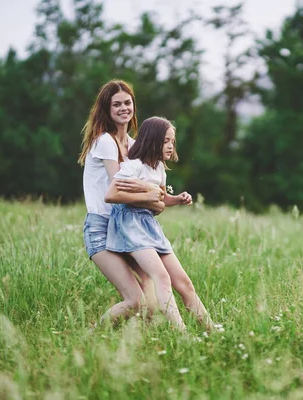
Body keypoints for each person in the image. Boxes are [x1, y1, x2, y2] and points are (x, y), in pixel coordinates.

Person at [105, 116, 214, 331]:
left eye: (172, 141)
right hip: (130, 226)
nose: (171, 145)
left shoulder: (159, 169)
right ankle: (182, 335)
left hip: (149, 226)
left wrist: (177, 200)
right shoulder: (133, 166)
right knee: (161, 276)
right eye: (166, 141)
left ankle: (212, 330)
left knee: (184, 283)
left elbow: (159, 201)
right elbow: (110, 194)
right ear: (152, 140)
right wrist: (146, 196)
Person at [79, 80, 164, 325]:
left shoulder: (135, 146)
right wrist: (151, 195)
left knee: (151, 288)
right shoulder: (105, 141)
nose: (123, 108)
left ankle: (145, 345)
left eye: (128, 103)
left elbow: (154, 196)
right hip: (101, 227)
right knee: (135, 300)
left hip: (127, 225)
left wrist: (156, 198)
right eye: (116, 104)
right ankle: (89, 341)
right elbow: (120, 188)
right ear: (106, 109)